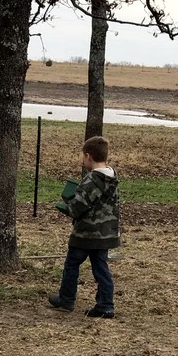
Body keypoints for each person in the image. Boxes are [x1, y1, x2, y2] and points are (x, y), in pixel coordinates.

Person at [49, 136, 120, 318]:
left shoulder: (92, 180)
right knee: (101, 268)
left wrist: (67, 202)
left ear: (88, 156)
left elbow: (77, 207)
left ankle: (66, 299)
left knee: (72, 264)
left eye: (83, 157)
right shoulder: (112, 177)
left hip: (86, 233)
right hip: (105, 234)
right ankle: (106, 305)